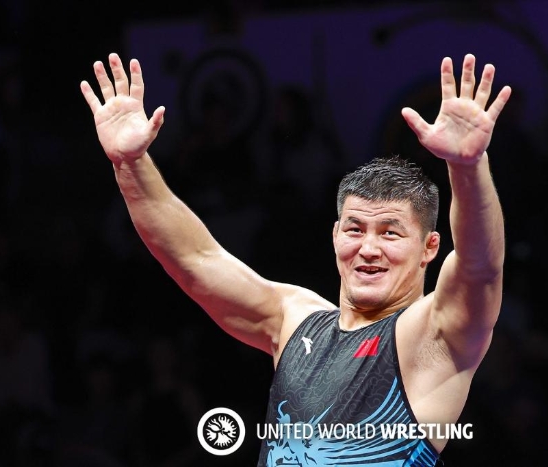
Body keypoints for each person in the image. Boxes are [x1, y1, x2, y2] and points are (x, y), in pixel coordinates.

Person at [80, 52, 511, 466]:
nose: (368, 247)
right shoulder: (294, 318)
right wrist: (131, 162)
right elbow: (194, 259)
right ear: (335, 236)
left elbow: (480, 267)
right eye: (355, 229)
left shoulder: (432, 337)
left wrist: (468, 167)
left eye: (390, 233)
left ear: (429, 248)